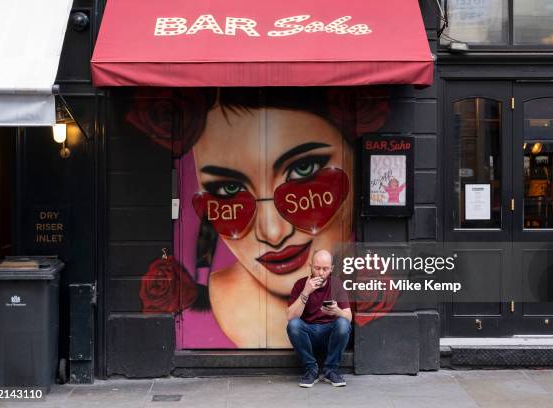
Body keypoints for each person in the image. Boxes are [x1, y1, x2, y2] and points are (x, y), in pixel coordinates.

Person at [129, 88, 388, 348]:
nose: (272, 233)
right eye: (228, 189)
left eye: (303, 169)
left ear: (356, 162)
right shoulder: (206, 304)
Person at [287, 249, 352, 387]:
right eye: (317, 268)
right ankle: (311, 370)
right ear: (310, 266)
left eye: (325, 269)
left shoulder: (336, 284)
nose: (321, 273)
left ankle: (330, 370)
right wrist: (306, 292)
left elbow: (348, 316)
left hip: (329, 333)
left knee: (343, 323)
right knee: (294, 325)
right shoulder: (300, 284)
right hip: (308, 333)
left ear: (331, 269)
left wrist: (337, 311)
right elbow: (290, 317)